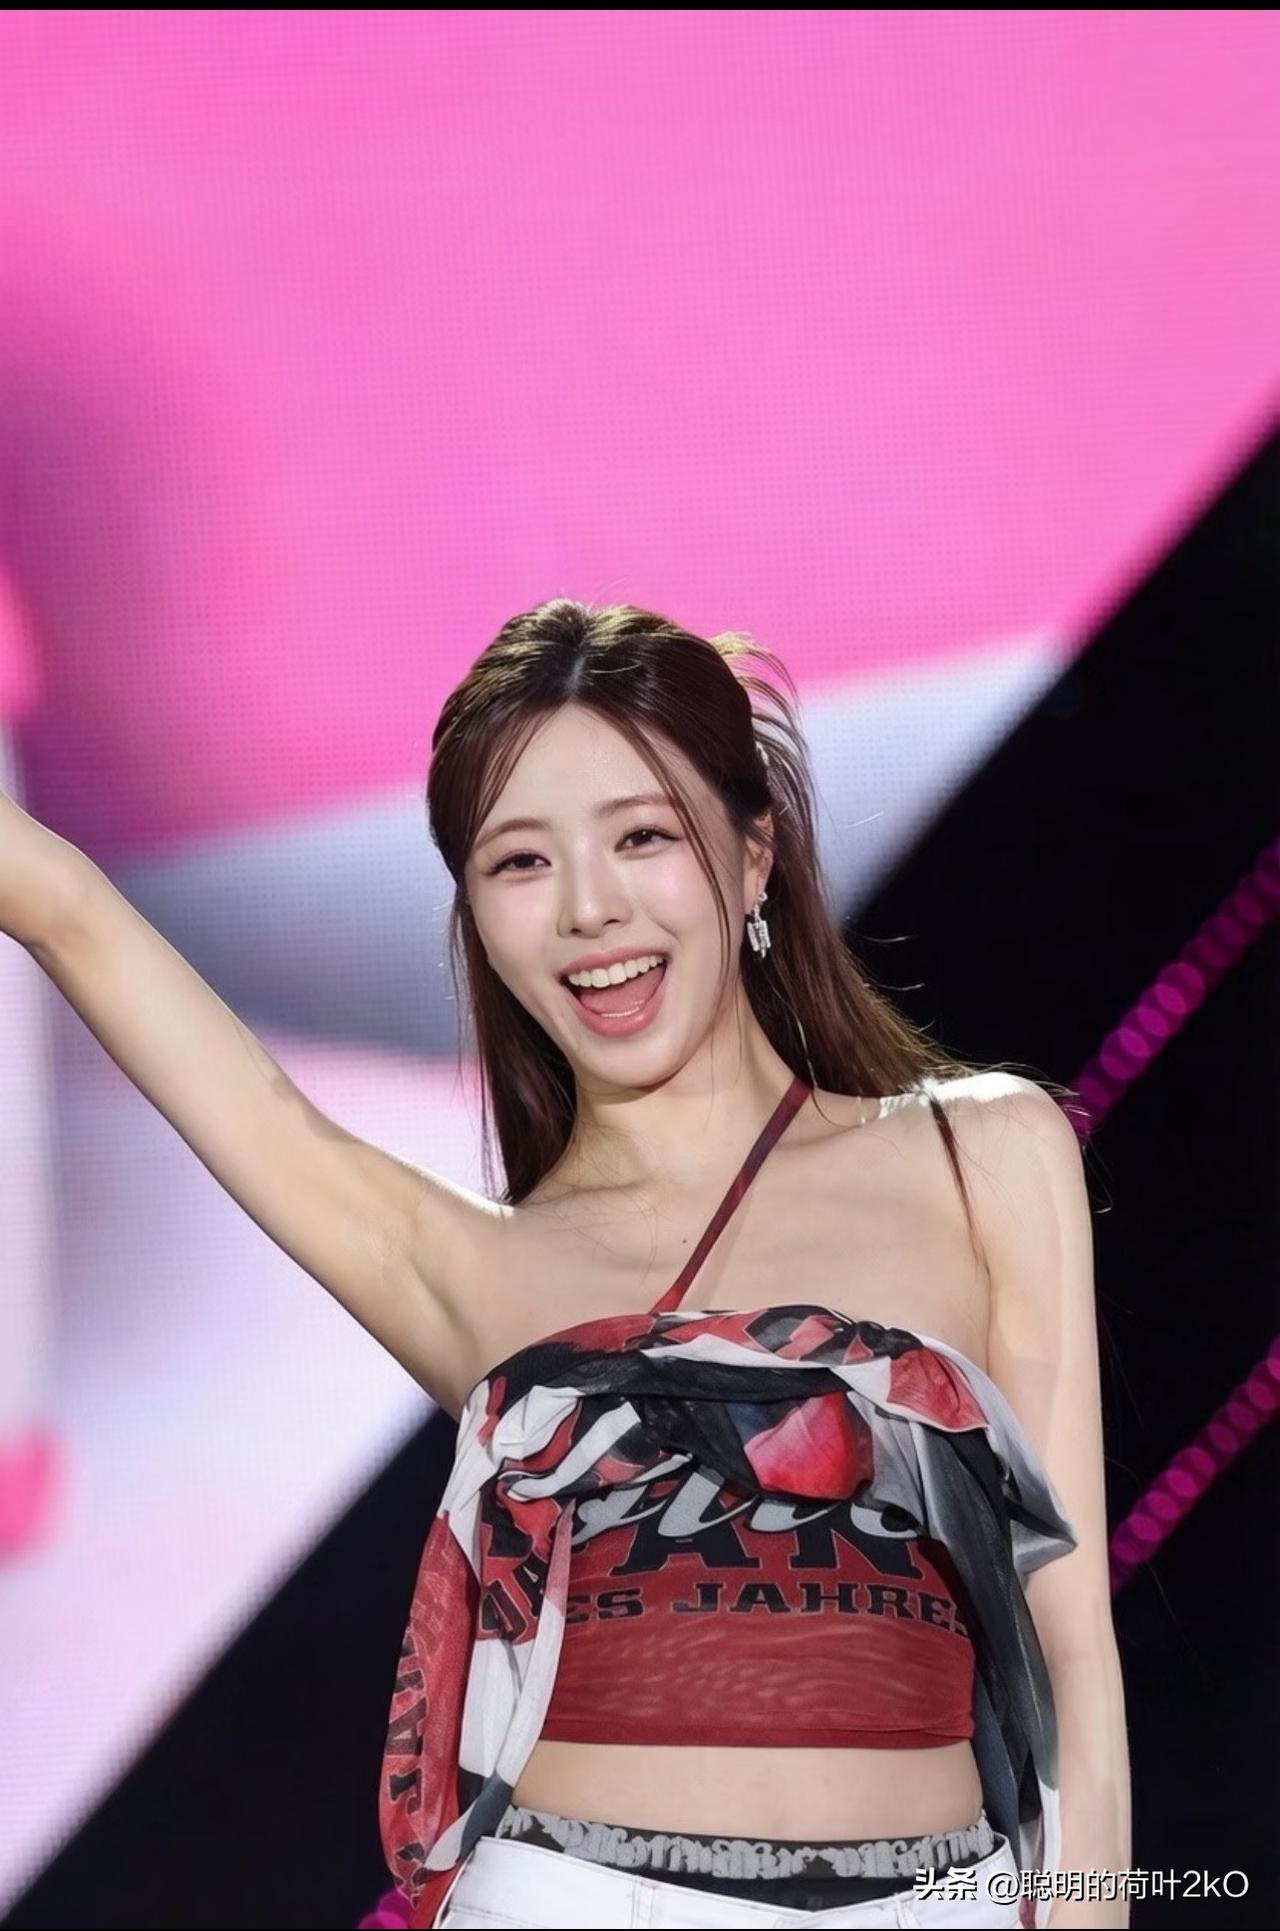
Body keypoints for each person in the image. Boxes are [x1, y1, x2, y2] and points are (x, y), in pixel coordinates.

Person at [0, 598, 1130, 1931]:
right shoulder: (465, 1264)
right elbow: (70, 917)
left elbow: (1070, 1651)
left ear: (753, 856)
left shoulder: (984, 1154)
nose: (591, 911)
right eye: (521, 862)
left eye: (642, 837)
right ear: (476, 914)